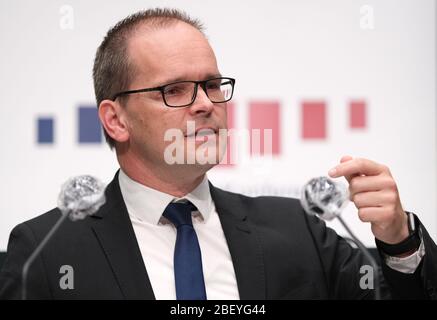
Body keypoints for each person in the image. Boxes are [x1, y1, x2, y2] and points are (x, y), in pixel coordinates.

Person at [1, 8, 436, 300]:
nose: (206, 103)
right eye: (174, 90)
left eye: (211, 85)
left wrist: (398, 240)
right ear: (116, 120)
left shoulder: (300, 233)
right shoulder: (46, 251)